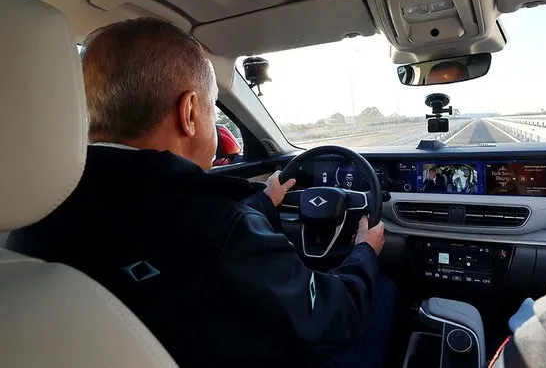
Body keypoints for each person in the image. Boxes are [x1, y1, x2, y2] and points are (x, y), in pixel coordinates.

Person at [6, 19, 396, 367]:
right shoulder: (220, 227)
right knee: (381, 291)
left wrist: (263, 202)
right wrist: (364, 251)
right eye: (212, 108)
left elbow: (191, 240)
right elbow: (330, 317)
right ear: (190, 112)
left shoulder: (37, 210)